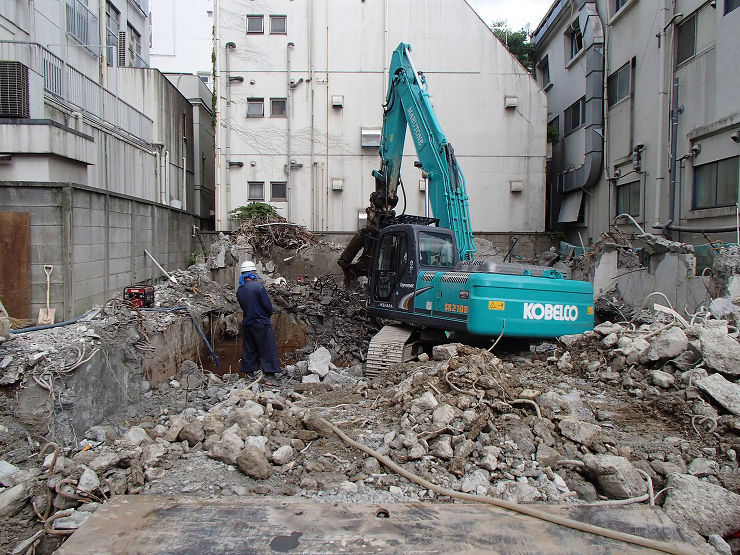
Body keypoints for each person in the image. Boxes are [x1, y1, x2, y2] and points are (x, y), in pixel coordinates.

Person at [236, 260, 281, 381]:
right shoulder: (258, 287)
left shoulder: (240, 289)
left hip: (247, 323)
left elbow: (243, 306)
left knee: (250, 348)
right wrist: (269, 313)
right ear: (252, 272)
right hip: (261, 323)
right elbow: (267, 305)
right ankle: (269, 374)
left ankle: (249, 372)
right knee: (266, 347)